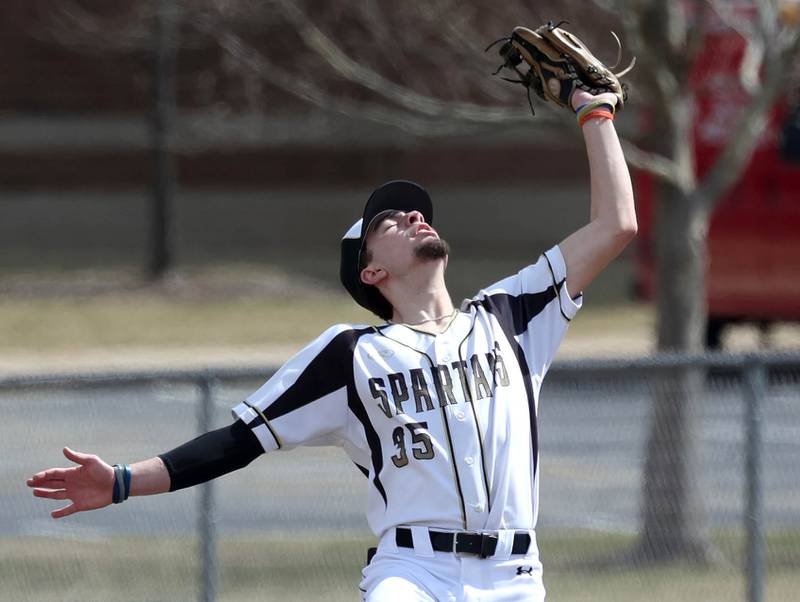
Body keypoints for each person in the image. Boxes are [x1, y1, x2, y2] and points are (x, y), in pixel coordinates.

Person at [27, 87, 636, 601]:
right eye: (389, 222)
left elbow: (617, 225)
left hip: (515, 576)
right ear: (371, 272)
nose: (414, 218)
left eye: (418, 212)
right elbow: (240, 440)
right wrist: (124, 481)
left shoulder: (511, 316)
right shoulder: (352, 356)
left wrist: (596, 114)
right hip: (413, 574)